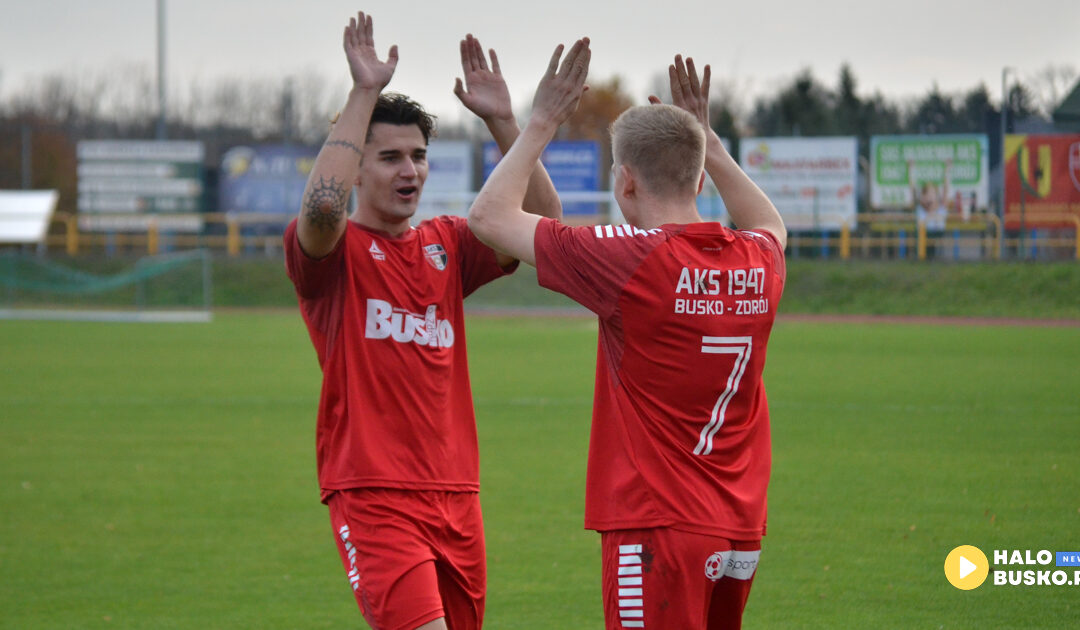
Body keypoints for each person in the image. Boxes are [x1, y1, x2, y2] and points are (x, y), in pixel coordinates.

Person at [468, 45, 787, 630]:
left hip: (658, 526)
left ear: (626, 181)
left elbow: (488, 218)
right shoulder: (759, 258)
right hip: (739, 529)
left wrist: (540, 122)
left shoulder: (629, 257)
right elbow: (771, 223)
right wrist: (709, 142)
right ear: (697, 174)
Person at [283, 12, 559, 630]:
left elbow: (545, 221)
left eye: (419, 156)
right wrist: (363, 93)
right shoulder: (333, 254)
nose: (410, 170)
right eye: (389, 157)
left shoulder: (449, 244)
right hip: (373, 491)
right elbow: (325, 205)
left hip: (457, 492)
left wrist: (504, 124)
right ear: (356, 165)